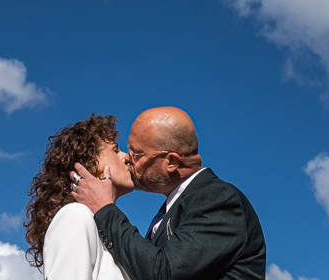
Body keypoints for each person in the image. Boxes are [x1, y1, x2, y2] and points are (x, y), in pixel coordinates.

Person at [70, 107, 265, 280]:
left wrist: (105, 209)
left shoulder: (218, 198)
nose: (127, 158)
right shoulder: (175, 207)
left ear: (171, 162)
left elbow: (163, 273)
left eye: (135, 153)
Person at [24, 114, 136, 279]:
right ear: (92, 164)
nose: (127, 157)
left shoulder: (112, 235)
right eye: (115, 150)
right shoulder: (75, 216)